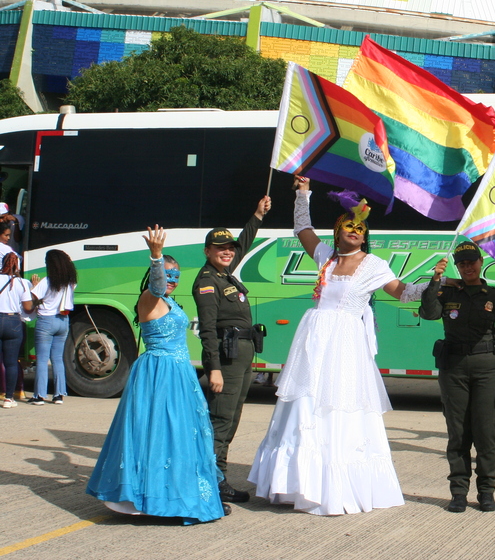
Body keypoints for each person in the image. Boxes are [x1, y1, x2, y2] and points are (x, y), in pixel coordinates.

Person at [249, 178, 419, 515]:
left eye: (360, 228)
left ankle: (335, 485)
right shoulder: (325, 257)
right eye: (348, 226)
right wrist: (302, 193)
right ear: (337, 231)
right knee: (303, 405)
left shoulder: (373, 266)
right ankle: (295, 485)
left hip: (345, 346)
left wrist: (431, 286)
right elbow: (302, 228)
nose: (355, 231)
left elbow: (401, 292)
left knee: (340, 407)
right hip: (313, 342)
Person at [86, 226, 228, 524]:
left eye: (176, 275)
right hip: (158, 373)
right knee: (158, 433)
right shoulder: (150, 298)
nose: (172, 280)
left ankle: (181, 495)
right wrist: (156, 256)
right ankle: (151, 499)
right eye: (167, 274)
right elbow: (157, 286)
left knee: (182, 435)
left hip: (178, 373)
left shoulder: (171, 303)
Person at [419, 242, 495, 513]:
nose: (467, 267)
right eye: (462, 263)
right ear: (457, 265)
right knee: (458, 434)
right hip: (454, 369)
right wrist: (435, 280)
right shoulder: (447, 291)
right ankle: (458, 493)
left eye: (471, 262)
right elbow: (428, 313)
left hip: (488, 370)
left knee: (486, 434)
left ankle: (487, 492)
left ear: (480, 262)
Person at [192, 194, 270, 503]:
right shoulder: (207, 281)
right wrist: (213, 368)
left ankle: (218, 477)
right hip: (226, 357)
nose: (227, 252)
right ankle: (209, 481)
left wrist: (257, 215)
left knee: (232, 417)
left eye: (229, 249)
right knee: (221, 418)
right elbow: (208, 330)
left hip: (241, 355)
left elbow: (243, 242)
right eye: (220, 248)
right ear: (207, 251)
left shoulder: (224, 273)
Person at [22, 249, 76, 405]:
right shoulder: (70, 282)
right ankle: (59, 394)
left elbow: (33, 301)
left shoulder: (47, 281)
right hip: (63, 320)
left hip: (46, 321)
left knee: (42, 359)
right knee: (58, 359)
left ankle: (39, 395)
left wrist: (34, 286)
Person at [0, 252, 30, 408]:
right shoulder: (22, 283)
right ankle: (9, 398)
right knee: (11, 363)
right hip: (13, 322)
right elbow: (27, 307)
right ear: (17, 265)